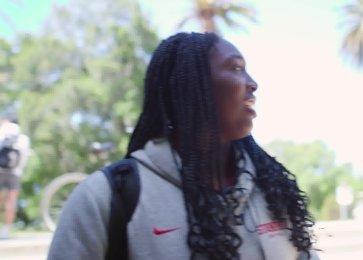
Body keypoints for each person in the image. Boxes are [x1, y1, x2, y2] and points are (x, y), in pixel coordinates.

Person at [48, 32, 318, 259]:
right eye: (235, 68)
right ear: (193, 87)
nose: (253, 84)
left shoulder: (272, 189)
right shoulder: (107, 197)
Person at [0, 118, 31, 239]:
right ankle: (6, 231)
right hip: (15, 172)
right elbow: (24, 156)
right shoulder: (23, 138)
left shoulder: (3, 131)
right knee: (11, 201)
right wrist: (19, 171)